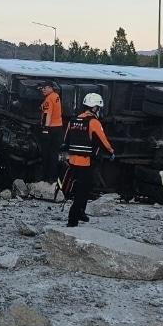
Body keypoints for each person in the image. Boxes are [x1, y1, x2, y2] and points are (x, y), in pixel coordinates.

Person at [63, 92, 114, 227]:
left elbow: (66, 141)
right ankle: (72, 220)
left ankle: (81, 212)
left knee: (80, 187)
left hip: (73, 160)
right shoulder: (93, 122)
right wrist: (111, 152)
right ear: (95, 108)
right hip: (86, 162)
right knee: (82, 190)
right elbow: (102, 141)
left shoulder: (74, 120)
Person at [38, 82, 63, 182]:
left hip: (50, 129)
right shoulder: (56, 96)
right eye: (41, 88)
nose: (42, 90)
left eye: (44, 88)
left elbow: (47, 115)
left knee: (46, 154)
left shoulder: (48, 99)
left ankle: (46, 177)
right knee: (54, 153)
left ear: (50, 88)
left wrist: (45, 129)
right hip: (58, 127)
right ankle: (53, 177)